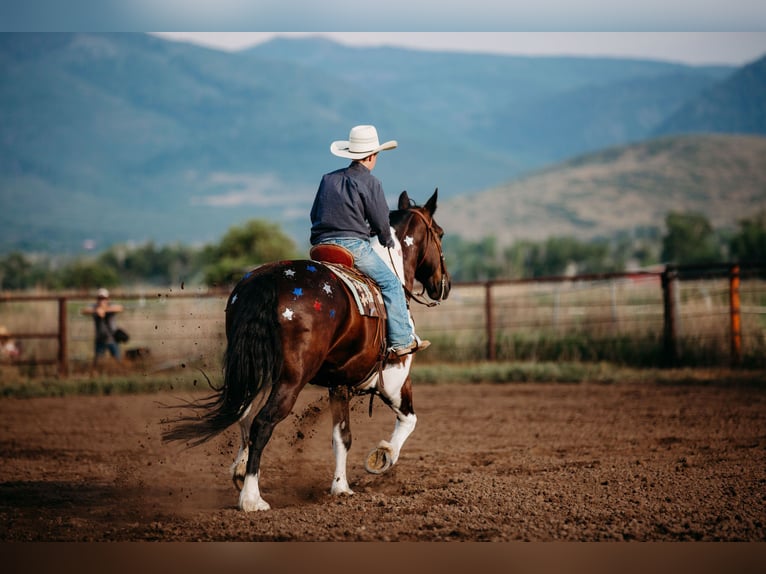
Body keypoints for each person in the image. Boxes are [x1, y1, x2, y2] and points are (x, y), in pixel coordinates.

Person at [310, 124, 429, 357]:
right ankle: (402, 340)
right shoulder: (371, 183)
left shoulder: (327, 179)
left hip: (321, 247)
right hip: (353, 247)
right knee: (391, 284)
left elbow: (315, 214)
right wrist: (386, 239)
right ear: (372, 156)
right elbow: (381, 221)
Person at [81, 288, 125, 364]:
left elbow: (120, 308)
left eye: (104, 298)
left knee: (118, 361)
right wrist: (96, 311)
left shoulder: (111, 305)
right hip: (100, 339)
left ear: (108, 299)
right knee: (98, 362)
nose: (102, 300)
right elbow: (84, 310)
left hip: (112, 339)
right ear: (97, 299)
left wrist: (104, 310)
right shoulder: (94, 307)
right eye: (100, 298)